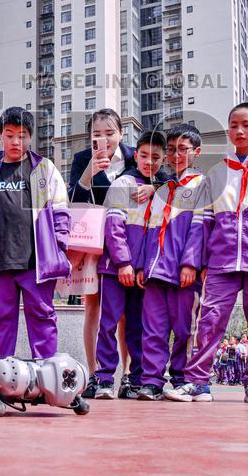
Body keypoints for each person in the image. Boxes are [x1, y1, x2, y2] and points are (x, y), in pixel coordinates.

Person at [170, 105, 248, 404]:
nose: (239, 131)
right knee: (209, 320)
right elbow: (201, 222)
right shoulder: (216, 173)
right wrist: (193, 261)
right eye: (234, 125)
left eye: (246, 125)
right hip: (221, 261)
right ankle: (198, 382)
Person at [0, 107, 71, 358]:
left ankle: (47, 374)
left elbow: (61, 212)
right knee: (0, 322)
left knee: (43, 317)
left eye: (22, 135)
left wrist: (59, 249)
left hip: (37, 263)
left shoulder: (45, 169)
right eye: (10, 134)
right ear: (0, 136)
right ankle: (1, 378)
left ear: (31, 137)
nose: (16, 141)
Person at [68, 109, 157, 398]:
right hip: (93, 241)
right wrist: (87, 175)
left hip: (128, 240)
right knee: (94, 306)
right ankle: (96, 374)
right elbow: (72, 201)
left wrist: (154, 188)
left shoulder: (135, 156)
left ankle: (128, 376)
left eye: (109, 132)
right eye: (96, 134)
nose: (103, 138)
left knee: (127, 315)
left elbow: (165, 177)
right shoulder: (84, 159)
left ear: (121, 133)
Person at [135, 123, 208, 401]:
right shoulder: (163, 188)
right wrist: (142, 264)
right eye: (172, 150)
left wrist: (191, 263)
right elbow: (148, 228)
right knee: (153, 329)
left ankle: (183, 378)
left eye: (183, 150)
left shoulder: (204, 185)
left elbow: (200, 228)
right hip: (155, 270)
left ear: (196, 152)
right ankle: (152, 381)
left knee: (185, 329)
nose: (176, 155)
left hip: (183, 273)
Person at [92, 128, 167, 399]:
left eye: (155, 157)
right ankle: (103, 379)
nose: (149, 162)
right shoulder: (123, 184)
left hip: (142, 274)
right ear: (136, 156)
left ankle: (136, 379)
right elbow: (114, 227)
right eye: (144, 156)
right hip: (115, 269)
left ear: (163, 160)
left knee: (138, 327)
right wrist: (123, 263)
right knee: (108, 324)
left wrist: (143, 269)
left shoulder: (162, 190)